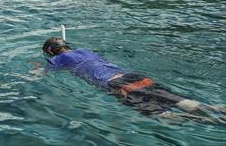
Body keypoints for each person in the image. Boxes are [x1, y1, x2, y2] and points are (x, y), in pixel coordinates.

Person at [42, 37, 224, 121]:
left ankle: (212, 121)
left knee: (162, 115)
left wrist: (41, 66)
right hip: (134, 75)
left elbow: (44, 73)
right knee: (177, 100)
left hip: (114, 83)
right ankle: (216, 108)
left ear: (50, 51)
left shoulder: (56, 59)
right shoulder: (85, 50)